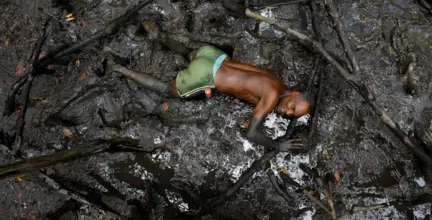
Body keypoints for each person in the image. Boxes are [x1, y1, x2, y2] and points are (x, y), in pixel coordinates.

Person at [105, 45, 312, 151]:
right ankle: (118, 68)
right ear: (293, 94)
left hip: (214, 55)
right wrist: (277, 145)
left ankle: (157, 34)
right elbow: (250, 133)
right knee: (166, 90)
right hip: (206, 73)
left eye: (291, 114)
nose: (286, 112)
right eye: (292, 107)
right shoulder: (272, 96)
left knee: (188, 52)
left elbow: (248, 80)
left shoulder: (279, 84)